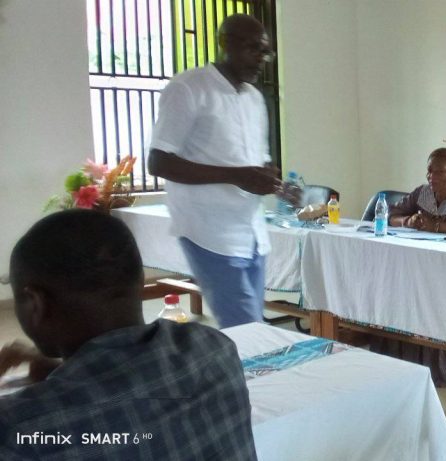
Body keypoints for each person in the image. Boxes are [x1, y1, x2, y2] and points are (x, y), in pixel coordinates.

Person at [0, 210, 256, 460]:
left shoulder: (19, 427)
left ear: (35, 303)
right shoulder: (215, 349)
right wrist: (61, 373)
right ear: (141, 279)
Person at [148, 14, 291, 328]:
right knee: (247, 329)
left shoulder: (254, 99)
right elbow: (159, 162)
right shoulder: (188, 88)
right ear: (225, 43)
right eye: (253, 49)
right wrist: (237, 176)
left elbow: (254, 163)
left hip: (251, 232)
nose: (261, 59)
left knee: (251, 327)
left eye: (265, 52)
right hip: (209, 231)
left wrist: (276, 184)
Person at [376, 147, 446, 386]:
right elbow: (389, 214)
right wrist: (408, 221)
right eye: (429, 171)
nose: (432, 177)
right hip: (423, 262)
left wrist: (435, 227)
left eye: (440, 172)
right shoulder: (422, 193)